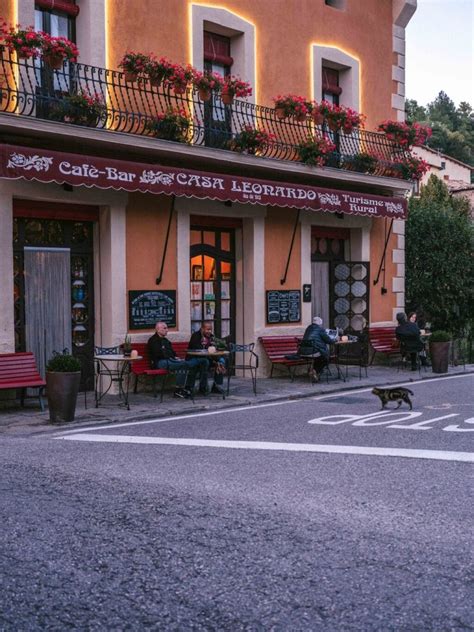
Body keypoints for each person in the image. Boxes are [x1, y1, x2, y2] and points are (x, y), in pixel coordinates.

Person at [147, 322, 207, 398]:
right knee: (184, 364)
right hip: (159, 362)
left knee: (183, 365)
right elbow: (158, 354)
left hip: (170, 360)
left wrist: (175, 357)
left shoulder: (166, 340)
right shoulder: (153, 340)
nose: (167, 330)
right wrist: (172, 357)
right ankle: (179, 389)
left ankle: (183, 388)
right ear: (158, 329)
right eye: (164, 328)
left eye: (167, 328)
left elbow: (172, 352)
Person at [188, 321, 227, 395]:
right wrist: (206, 347)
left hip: (208, 358)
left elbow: (217, 346)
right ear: (202, 329)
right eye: (207, 329)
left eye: (210, 329)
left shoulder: (211, 337)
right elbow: (195, 348)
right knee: (205, 362)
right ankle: (203, 387)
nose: (209, 331)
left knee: (221, 361)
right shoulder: (196, 336)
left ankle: (216, 385)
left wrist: (217, 346)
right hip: (195, 358)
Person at [299, 316, 335, 381]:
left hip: (303, 351)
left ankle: (313, 371)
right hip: (313, 351)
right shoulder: (320, 329)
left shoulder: (308, 328)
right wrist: (335, 340)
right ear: (320, 323)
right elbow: (329, 341)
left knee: (319, 357)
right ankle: (315, 371)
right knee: (326, 358)